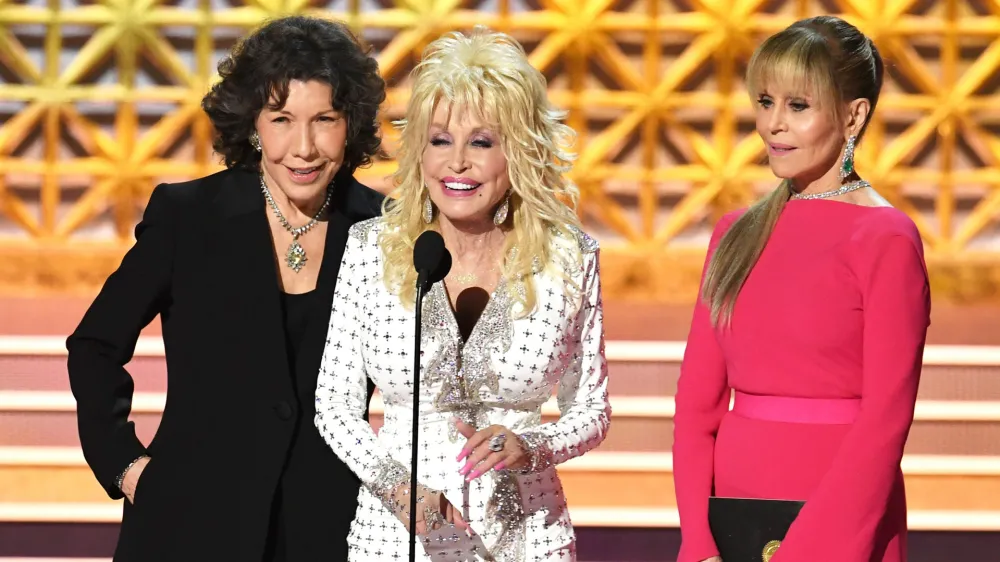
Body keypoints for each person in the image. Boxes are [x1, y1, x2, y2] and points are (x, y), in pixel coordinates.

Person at [65, 16, 386, 562]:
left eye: (324, 120)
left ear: (350, 125)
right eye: (281, 119)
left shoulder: (386, 230)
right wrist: (126, 467)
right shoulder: (189, 217)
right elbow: (94, 345)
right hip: (187, 522)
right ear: (253, 124)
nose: (303, 147)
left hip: (329, 528)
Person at [313, 26, 611, 562]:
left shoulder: (569, 258)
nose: (457, 164)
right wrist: (404, 494)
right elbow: (334, 406)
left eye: (481, 142)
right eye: (440, 140)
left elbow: (591, 410)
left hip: (530, 537)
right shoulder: (371, 248)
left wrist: (532, 447)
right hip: (395, 536)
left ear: (518, 151)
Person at [672, 15, 930, 562]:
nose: (773, 125)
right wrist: (698, 541)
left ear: (853, 115)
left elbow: (886, 419)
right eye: (765, 102)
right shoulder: (734, 233)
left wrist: (806, 551)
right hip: (732, 517)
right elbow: (696, 409)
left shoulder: (886, 238)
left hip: (839, 521)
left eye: (798, 106)